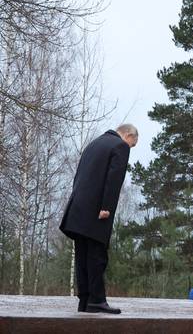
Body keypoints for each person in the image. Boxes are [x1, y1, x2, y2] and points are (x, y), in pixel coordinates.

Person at [60, 124, 138, 314]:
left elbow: (80, 176)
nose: (130, 148)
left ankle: (85, 300)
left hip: (78, 209)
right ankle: (96, 300)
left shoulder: (94, 144)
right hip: (96, 210)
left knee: (82, 257)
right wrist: (106, 207)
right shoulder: (119, 146)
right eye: (132, 144)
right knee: (96, 256)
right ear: (128, 135)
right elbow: (114, 179)